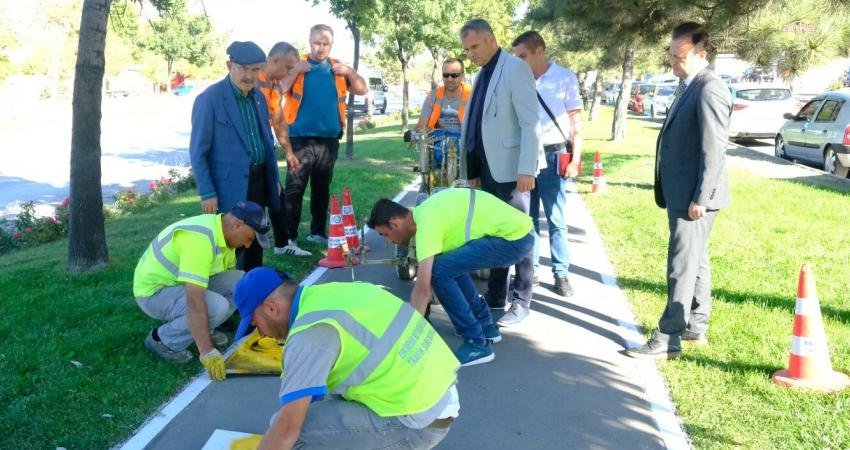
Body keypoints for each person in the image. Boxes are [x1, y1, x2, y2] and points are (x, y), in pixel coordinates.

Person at [233, 268, 460, 449]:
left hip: (418, 424)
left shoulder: (310, 334)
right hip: (438, 397)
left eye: (255, 324)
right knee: (324, 406)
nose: (260, 334)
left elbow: (287, 429)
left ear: (271, 308)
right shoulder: (332, 294)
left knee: (291, 436)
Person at [626, 22, 731, 360]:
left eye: (679, 56)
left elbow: (714, 149)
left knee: (681, 265)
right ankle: (695, 326)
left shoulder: (710, 88)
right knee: (695, 260)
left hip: (694, 198)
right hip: (683, 193)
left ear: (701, 54)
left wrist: (701, 197)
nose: (672, 61)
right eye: (670, 54)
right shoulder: (689, 84)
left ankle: (667, 338)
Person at [367, 188, 535, 366]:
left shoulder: (427, 226)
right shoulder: (427, 211)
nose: (388, 241)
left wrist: (409, 335)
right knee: (447, 264)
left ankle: (476, 343)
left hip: (513, 240)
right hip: (519, 234)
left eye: (384, 234)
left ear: (394, 223)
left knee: (438, 271)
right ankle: (485, 326)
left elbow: (423, 290)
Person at [459, 19, 543, 326]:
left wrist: (527, 168)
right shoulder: (483, 73)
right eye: (466, 49)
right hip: (488, 170)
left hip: (513, 171)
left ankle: (521, 299)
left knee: (520, 233)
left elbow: (529, 123)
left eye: (475, 46)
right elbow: (479, 125)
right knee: (494, 233)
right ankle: (496, 293)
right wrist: (474, 168)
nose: (470, 54)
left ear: (491, 39)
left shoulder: (514, 67)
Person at [133, 201, 271, 381]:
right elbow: (194, 301)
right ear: (238, 225)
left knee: (241, 283)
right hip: (154, 294)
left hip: (177, 284)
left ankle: (204, 328)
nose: (247, 245)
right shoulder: (200, 240)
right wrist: (207, 352)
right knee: (216, 307)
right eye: (250, 238)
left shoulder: (223, 235)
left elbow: (223, 279)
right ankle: (163, 340)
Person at [189, 41, 281, 272]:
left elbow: (266, 141)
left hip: (259, 179)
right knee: (233, 242)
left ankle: (252, 287)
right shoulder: (209, 99)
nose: (249, 76)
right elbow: (198, 151)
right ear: (230, 65)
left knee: (255, 235)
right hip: (229, 187)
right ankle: (231, 295)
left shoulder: (259, 98)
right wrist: (207, 192)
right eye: (243, 68)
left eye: (255, 70)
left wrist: (273, 178)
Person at [281, 24, 368, 246]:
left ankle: (317, 232)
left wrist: (350, 71)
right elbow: (279, 88)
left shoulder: (337, 68)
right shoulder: (296, 64)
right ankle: (288, 237)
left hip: (329, 141)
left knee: (322, 188)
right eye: (317, 43)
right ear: (309, 42)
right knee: (295, 187)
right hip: (300, 139)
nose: (321, 48)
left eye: (325, 43)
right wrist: (295, 70)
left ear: (331, 44)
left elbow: (362, 89)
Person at [511, 30, 584, 298]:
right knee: (526, 219)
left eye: (523, 56)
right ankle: (532, 273)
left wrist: (575, 159)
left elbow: (576, 124)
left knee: (556, 217)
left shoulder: (564, 77)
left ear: (539, 51)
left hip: (554, 155)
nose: (518, 61)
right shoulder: (517, 78)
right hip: (526, 157)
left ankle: (561, 273)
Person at [256, 41, 311, 257]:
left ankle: (282, 244)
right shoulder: (254, 83)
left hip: (265, 148)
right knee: (260, 202)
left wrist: (288, 152)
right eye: (288, 68)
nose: (289, 73)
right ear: (274, 60)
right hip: (251, 154)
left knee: (277, 197)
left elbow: (278, 122)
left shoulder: (275, 87)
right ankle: (251, 251)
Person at [416, 58, 471, 135]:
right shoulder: (432, 96)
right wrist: (416, 133)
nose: (449, 79)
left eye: (454, 75)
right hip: (438, 143)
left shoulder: (473, 96)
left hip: (465, 143)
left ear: (462, 76)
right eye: (445, 75)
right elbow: (421, 126)